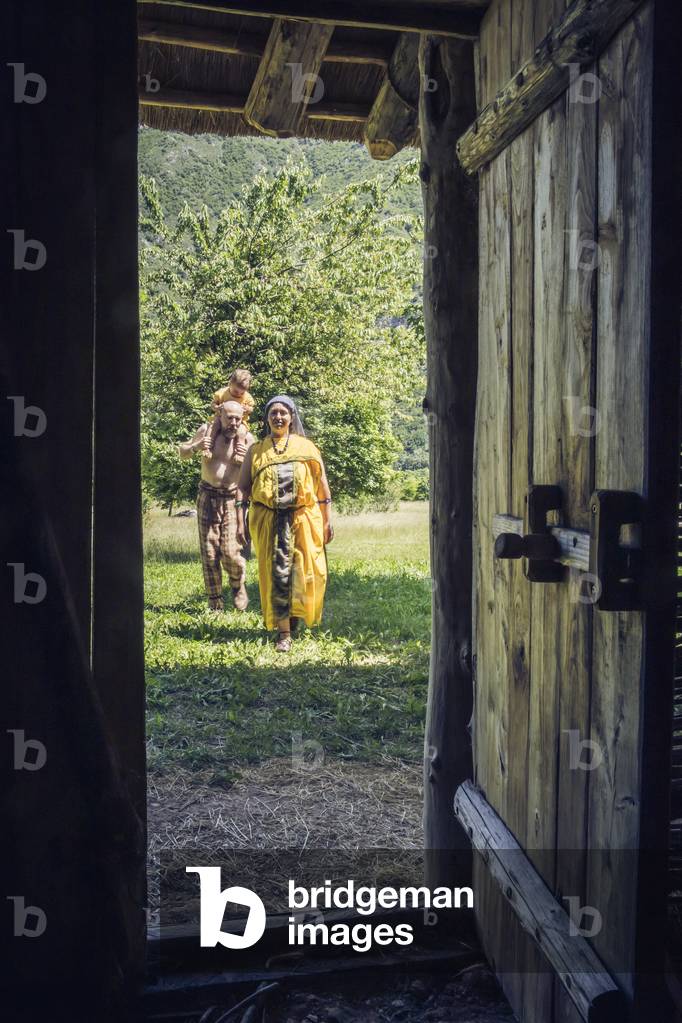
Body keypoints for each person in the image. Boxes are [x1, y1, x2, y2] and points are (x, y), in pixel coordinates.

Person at [236, 395, 333, 652]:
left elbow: (322, 488)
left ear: (292, 417)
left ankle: (294, 617)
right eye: (273, 413)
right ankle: (284, 634)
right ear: (267, 418)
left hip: (303, 519)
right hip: (269, 521)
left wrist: (327, 521)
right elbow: (243, 489)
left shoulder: (307, 448)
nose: (278, 417)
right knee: (278, 574)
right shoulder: (256, 450)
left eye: (283, 413)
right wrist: (239, 521)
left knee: (305, 572)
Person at [179, 400, 255, 612]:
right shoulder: (206, 430)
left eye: (237, 419)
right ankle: (215, 602)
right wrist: (196, 446)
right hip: (207, 495)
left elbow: (254, 471)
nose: (233, 422)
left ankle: (238, 585)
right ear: (220, 414)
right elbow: (182, 452)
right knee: (210, 552)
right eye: (229, 417)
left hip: (232, 498)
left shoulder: (247, 439)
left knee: (231, 551)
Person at [205, 368, 255, 463]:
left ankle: (239, 453)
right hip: (221, 418)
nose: (239, 394)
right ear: (230, 383)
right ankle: (208, 447)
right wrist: (217, 407)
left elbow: (252, 408)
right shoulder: (222, 393)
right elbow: (213, 404)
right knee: (213, 426)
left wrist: (247, 409)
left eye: (242, 393)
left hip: (239, 422)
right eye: (236, 391)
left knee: (241, 432)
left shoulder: (247, 397)